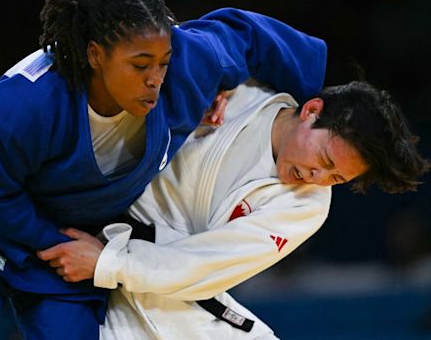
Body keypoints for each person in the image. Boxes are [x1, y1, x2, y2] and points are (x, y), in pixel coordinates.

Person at [0, 0, 328, 340]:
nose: (154, 80)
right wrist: (58, 242)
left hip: (67, 244)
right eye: (139, 66)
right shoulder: (27, 103)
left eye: (162, 63)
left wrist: (299, 104)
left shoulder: (187, 68)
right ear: (95, 55)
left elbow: (245, 35)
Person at [37, 81, 430, 339]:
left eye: (335, 178)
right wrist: (194, 84)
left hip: (165, 287)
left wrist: (108, 263)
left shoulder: (307, 206)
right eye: (324, 157)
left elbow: (204, 265)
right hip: (92, 232)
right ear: (311, 110)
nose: (315, 175)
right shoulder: (235, 95)